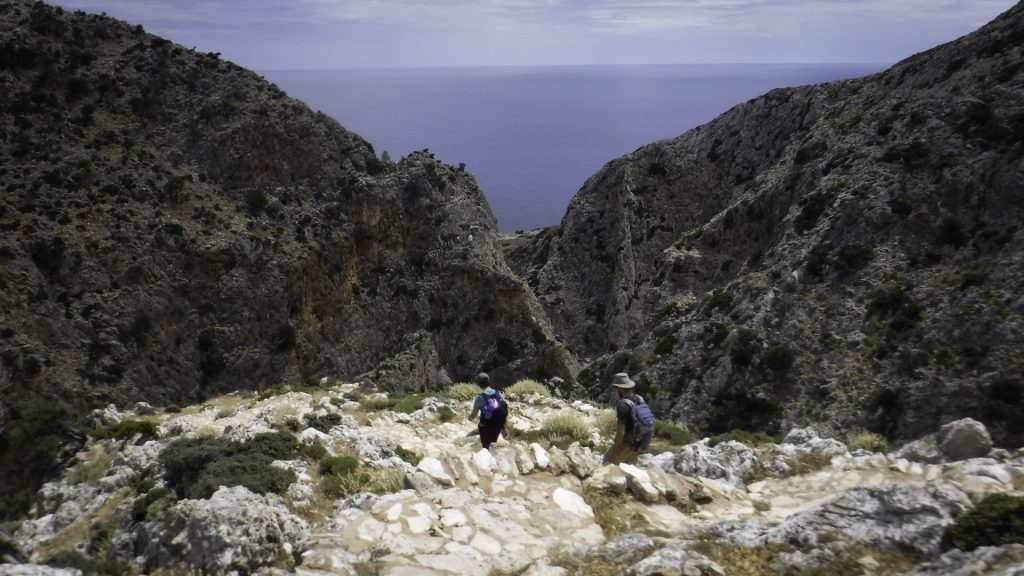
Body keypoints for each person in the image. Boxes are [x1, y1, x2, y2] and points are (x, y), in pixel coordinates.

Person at [604, 372, 648, 465]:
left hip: (627, 443)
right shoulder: (639, 399)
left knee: (607, 464)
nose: (616, 390)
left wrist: (615, 453)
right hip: (639, 442)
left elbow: (621, 433)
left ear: (620, 388)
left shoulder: (622, 405)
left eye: (616, 388)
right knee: (629, 469)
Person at [466, 372, 509, 450]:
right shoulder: (498, 393)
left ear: (479, 384)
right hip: (497, 426)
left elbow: (473, 415)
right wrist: (504, 428)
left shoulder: (480, 398)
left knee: (486, 448)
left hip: (486, 427)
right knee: (493, 444)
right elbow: (502, 410)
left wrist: (468, 419)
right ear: (489, 381)